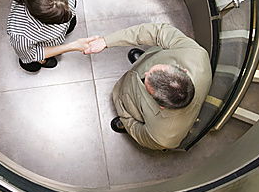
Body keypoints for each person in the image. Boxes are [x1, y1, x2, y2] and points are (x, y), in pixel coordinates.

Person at [83, 22, 210, 150]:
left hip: (133, 106)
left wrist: (128, 120)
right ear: (183, 70)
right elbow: (158, 31)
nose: (146, 72)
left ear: (161, 105)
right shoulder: (196, 54)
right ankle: (143, 61)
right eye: (156, 68)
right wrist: (106, 41)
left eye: (147, 82)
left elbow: (142, 134)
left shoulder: (164, 136)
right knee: (145, 65)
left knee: (129, 112)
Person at [6, 0, 92, 72]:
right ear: (42, 20)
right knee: (31, 66)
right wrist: (73, 46)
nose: (68, 17)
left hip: (55, 32)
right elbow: (30, 54)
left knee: (71, 25)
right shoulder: (20, 34)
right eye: (60, 20)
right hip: (42, 45)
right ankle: (43, 62)